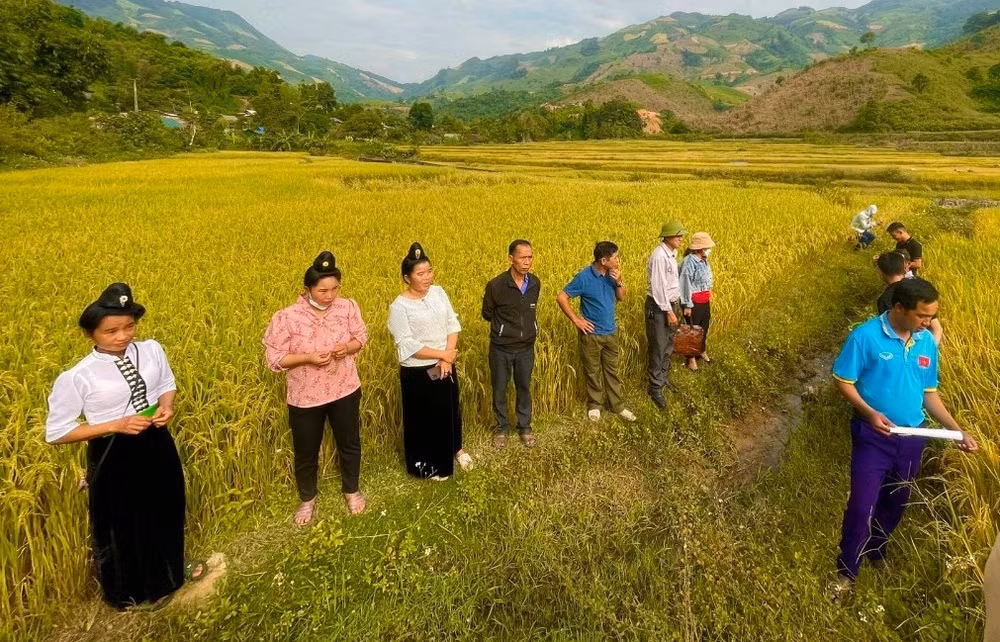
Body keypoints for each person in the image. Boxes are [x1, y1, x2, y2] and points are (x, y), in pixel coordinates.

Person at [829, 278, 977, 600]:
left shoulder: (925, 342)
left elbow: (929, 395)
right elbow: (844, 380)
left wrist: (956, 430)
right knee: (861, 505)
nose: (929, 323)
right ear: (899, 309)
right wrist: (869, 413)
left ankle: (876, 551)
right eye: (923, 316)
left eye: (932, 316)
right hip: (874, 435)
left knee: (896, 502)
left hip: (913, 438)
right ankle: (845, 573)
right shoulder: (865, 337)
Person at [45, 283, 192, 609]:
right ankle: (132, 594)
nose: (122, 335)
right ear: (90, 334)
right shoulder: (78, 376)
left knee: (167, 505)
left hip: (157, 441)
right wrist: (116, 424)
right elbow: (57, 431)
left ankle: (170, 576)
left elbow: (167, 384)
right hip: (114, 453)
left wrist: (167, 407)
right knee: (124, 522)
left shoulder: (152, 349)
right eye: (111, 331)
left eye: (129, 326)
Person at [263, 251, 368, 523]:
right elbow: (274, 359)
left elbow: (360, 338)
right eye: (323, 290)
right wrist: (307, 358)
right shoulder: (287, 317)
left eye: (335, 289)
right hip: (305, 397)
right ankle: (307, 499)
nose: (330, 295)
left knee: (349, 442)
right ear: (307, 289)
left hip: (344, 388)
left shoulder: (347, 307)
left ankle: (351, 489)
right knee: (306, 449)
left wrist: (347, 348)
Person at [388, 242, 473, 480]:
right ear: (407, 277)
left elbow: (451, 323)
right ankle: (424, 465)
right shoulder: (400, 306)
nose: (426, 278)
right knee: (422, 418)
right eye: (420, 274)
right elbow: (406, 344)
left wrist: (448, 355)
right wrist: (441, 355)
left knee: (450, 409)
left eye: (429, 272)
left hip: (445, 362)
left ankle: (456, 449)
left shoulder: (438, 292)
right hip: (418, 371)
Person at [557, 241, 637, 423]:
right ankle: (595, 405)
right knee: (592, 371)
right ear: (603, 260)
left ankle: (617, 406)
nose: (618, 261)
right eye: (615, 258)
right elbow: (561, 297)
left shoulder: (612, 275)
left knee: (612, 371)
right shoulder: (584, 277)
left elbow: (622, 298)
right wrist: (577, 320)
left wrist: (619, 282)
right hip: (591, 335)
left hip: (611, 331)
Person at [482, 240, 540, 449]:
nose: (527, 262)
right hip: (501, 348)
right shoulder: (496, 285)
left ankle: (524, 427)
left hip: (526, 348)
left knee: (524, 387)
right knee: (499, 388)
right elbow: (487, 313)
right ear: (511, 258)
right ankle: (501, 428)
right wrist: (504, 330)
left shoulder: (534, 283)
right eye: (522, 257)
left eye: (530, 257)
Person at [644, 222, 686, 408]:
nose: (681, 239)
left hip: (671, 304)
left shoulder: (671, 254)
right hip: (660, 307)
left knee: (669, 344)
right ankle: (654, 388)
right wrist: (669, 311)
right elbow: (658, 287)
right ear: (667, 237)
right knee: (659, 346)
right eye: (678, 236)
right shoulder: (659, 256)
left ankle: (662, 378)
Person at [875, 253, 942, 344]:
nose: (925, 322)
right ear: (905, 268)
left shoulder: (885, 299)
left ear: (880, 272)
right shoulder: (918, 289)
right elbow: (937, 329)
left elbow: (890, 332)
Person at [679, 232, 716, 371]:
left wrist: (708, 291)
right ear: (701, 248)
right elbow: (685, 283)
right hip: (694, 302)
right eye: (707, 247)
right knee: (692, 330)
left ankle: (701, 351)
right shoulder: (689, 262)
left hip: (704, 299)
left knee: (703, 328)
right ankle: (691, 359)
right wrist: (687, 304)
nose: (709, 250)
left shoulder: (704, 260)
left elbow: (707, 279)